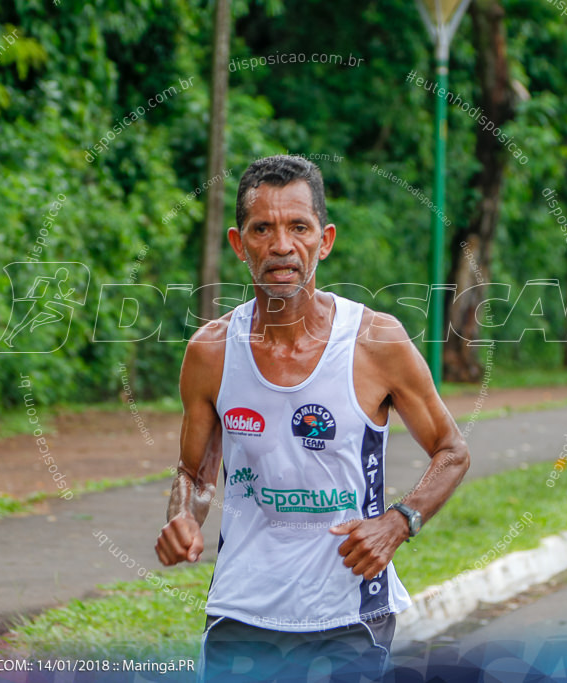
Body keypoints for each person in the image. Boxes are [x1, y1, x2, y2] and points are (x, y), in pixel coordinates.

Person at [154, 155, 471, 681]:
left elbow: (452, 450)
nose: (281, 245)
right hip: (242, 610)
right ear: (239, 244)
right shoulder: (210, 352)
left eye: (298, 227)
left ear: (323, 241)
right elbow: (194, 473)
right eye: (263, 229)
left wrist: (399, 521)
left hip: (350, 615)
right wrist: (183, 515)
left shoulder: (375, 341)